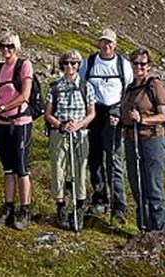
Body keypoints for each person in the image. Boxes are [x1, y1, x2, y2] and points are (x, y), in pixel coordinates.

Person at [80, 27, 133, 225]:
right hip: (94, 113)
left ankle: (119, 205)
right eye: (103, 41)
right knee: (94, 158)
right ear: (98, 43)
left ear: (115, 45)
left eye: (109, 42)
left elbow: (129, 92)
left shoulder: (123, 65)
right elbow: (82, 86)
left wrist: (119, 112)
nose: (106, 45)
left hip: (114, 115)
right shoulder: (89, 63)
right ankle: (99, 198)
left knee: (114, 160)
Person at [0, 31, 35, 230]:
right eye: (3, 46)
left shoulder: (24, 65)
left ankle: (25, 210)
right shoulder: (0, 68)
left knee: (22, 167)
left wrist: (2, 109)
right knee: (8, 168)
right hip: (2, 123)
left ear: (17, 48)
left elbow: (25, 95)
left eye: (10, 46)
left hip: (20, 121)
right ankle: (8, 208)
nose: (6, 50)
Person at [44, 50, 96, 230]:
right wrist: (60, 125)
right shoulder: (54, 87)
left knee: (80, 169)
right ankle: (61, 207)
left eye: (74, 64)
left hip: (80, 134)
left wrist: (79, 125)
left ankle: (79, 208)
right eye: (66, 63)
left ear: (79, 66)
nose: (70, 67)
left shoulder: (86, 87)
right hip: (60, 133)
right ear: (62, 65)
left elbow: (92, 113)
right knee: (58, 168)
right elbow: (48, 114)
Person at [121, 47, 165, 232]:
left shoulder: (154, 85)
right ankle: (144, 230)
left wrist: (142, 119)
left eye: (143, 64)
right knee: (138, 187)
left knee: (153, 188)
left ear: (149, 66)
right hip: (131, 141)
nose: (139, 67)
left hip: (151, 140)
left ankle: (159, 233)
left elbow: (163, 116)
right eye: (135, 63)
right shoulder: (130, 88)